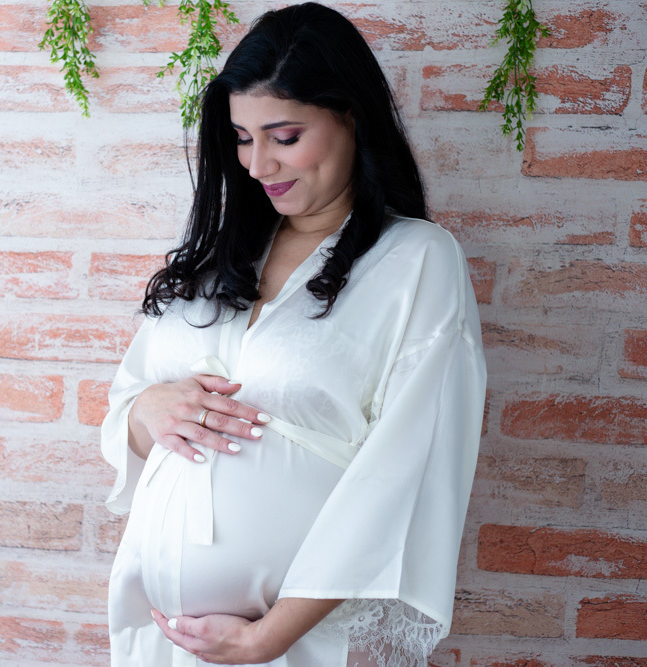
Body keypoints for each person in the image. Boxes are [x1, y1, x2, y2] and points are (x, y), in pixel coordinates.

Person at [99, 3, 488, 665]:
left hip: (297, 642)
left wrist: (266, 636)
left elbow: (406, 469)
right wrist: (146, 409)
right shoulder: (220, 257)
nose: (257, 164)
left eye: (284, 136)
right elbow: (127, 413)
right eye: (243, 138)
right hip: (161, 640)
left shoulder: (416, 260)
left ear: (351, 119)